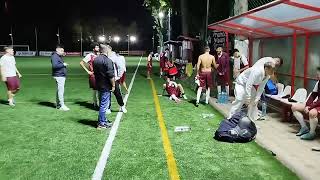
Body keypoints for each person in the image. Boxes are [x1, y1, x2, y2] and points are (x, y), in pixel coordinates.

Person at [291, 67, 320, 140]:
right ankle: (304, 127)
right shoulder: (318, 82)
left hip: (318, 104)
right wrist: (307, 105)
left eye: (318, 73)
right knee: (294, 107)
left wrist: (310, 107)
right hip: (317, 104)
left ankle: (312, 133)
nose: (317, 75)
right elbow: (313, 95)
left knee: (312, 113)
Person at [93, 44, 115, 129]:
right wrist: (113, 85)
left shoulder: (95, 59)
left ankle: (103, 120)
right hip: (105, 85)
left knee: (103, 103)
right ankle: (101, 123)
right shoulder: (108, 60)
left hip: (98, 84)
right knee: (104, 105)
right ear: (106, 50)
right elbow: (110, 75)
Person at [106, 45, 127, 114]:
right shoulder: (105, 56)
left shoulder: (115, 57)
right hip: (106, 79)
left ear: (109, 49)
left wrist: (118, 76)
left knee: (117, 93)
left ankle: (122, 106)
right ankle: (108, 108)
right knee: (107, 94)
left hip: (114, 79)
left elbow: (121, 67)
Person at [80, 43, 100, 108]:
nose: (98, 48)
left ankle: (100, 103)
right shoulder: (90, 55)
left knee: (100, 90)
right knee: (95, 90)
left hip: (101, 75)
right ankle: (95, 103)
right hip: (93, 75)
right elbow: (81, 63)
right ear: (93, 49)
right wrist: (88, 71)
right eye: (96, 47)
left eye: (98, 47)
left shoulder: (100, 55)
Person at [51, 44, 69, 111]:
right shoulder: (54, 56)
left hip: (60, 75)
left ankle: (58, 104)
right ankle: (62, 105)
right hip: (59, 75)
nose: (62, 52)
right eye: (61, 51)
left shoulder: (57, 56)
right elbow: (54, 66)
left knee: (59, 90)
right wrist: (63, 64)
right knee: (61, 91)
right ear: (57, 50)